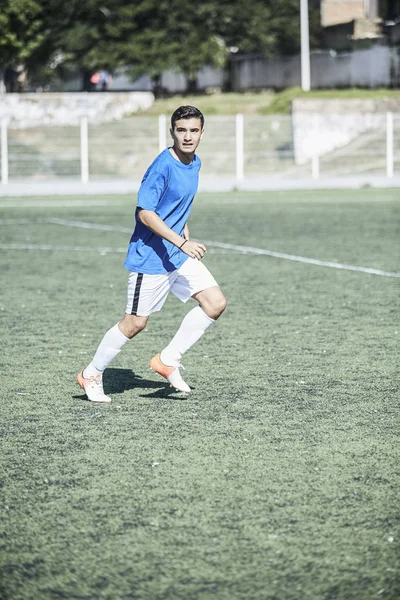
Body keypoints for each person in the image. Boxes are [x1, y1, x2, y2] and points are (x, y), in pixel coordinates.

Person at [77, 105, 227, 402]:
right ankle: (91, 373)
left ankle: (168, 360)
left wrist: (183, 229)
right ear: (172, 131)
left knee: (215, 303)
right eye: (181, 130)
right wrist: (182, 242)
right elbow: (146, 213)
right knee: (135, 323)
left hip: (176, 254)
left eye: (193, 130)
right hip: (152, 257)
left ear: (201, 133)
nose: (187, 137)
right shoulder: (162, 166)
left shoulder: (195, 162)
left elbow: (175, 206)